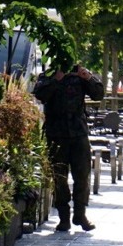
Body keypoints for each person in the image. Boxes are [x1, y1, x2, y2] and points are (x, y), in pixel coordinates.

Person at [34, 62, 103, 232]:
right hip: (56, 134)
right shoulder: (48, 75)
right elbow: (40, 95)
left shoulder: (78, 75)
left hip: (78, 133)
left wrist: (89, 78)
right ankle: (64, 217)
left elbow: (98, 94)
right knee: (59, 177)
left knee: (82, 176)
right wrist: (56, 80)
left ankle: (80, 214)